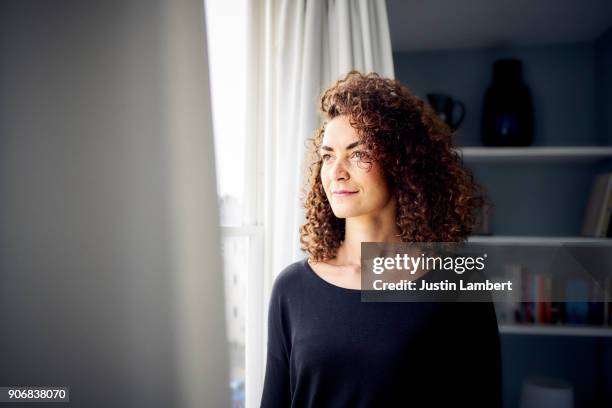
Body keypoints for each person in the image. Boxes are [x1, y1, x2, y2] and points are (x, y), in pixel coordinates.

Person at [260, 71, 502, 407]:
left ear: (401, 165)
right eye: (328, 155)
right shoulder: (291, 288)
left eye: (358, 153)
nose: (336, 171)